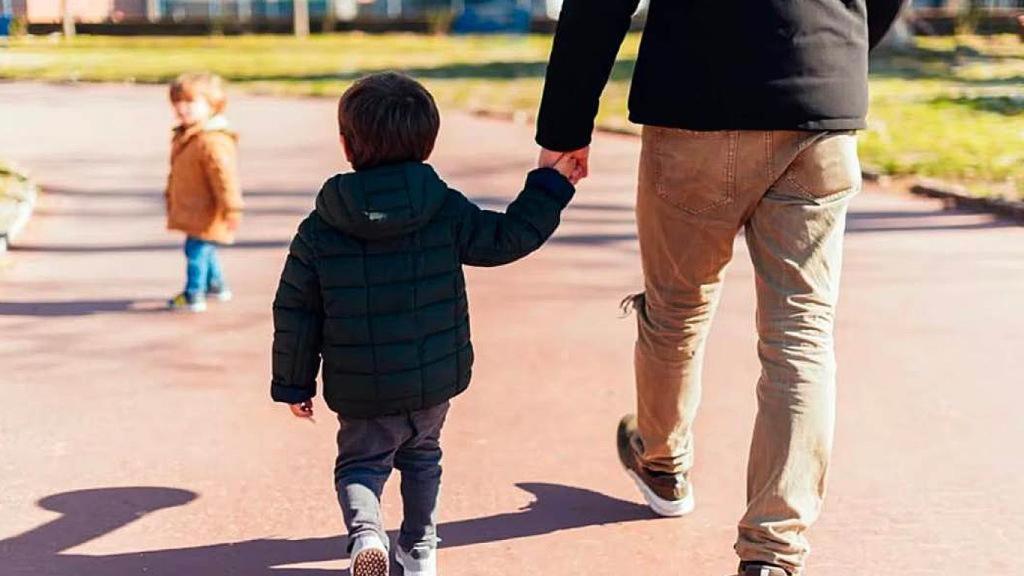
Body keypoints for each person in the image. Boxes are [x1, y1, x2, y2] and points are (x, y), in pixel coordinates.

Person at [535, 0, 904, 574]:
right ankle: (773, 552)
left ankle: (662, 461)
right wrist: (835, 54)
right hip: (818, 99)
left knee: (676, 308)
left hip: (694, 100)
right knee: (800, 334)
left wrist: (564, 126)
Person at [269, 72, 578, 576]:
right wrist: (550, 183)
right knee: (422, 457)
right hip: (433, 381)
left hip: (361, 388)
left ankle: (367, 534)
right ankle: (419, 548)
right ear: (428, 143)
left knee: (360, 465)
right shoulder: (443, 209)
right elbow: (506, 238)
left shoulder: (321, 227)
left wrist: (293, 383)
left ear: (347, 146)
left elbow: (296, 309)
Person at [165, 72, 243, 313]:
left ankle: (194, 293)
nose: (182, 108)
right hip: (194, 208)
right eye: (177, 102)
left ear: (212, 105)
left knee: (196, 251)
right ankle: (216, 284)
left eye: (190, 103)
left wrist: (232, 208)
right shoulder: (187, 135)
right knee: (204, 249)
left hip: (207, 211)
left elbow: (225, 178)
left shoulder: (211, 141)